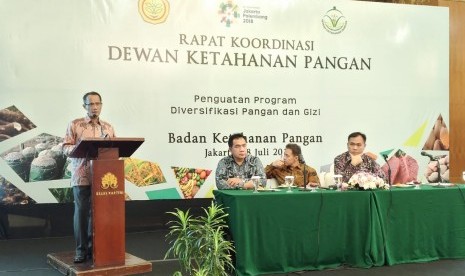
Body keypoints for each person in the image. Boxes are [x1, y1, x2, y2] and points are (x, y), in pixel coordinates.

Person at [62, 91, 115, 263]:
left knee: (99, 213)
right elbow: (65, 148)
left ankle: (96, 249)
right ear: (84, 106)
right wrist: (80, 148)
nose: (94, 107)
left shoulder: (108, 127)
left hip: (103, 176)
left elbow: (115, 150)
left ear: (101, 105)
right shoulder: (75, 124)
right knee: (82, 212)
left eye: (97, 103)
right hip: (82, 175)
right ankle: (81, 250)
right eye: (90, 104)